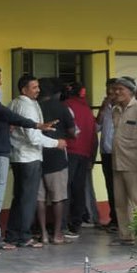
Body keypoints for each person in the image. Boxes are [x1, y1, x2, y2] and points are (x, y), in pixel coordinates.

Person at [0, 65, 49, 250]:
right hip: (9, 154)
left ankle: (9, 235)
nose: (1, 82)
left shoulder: (6, 102)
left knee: (16, 197)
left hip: (9, 154)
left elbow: (7, 117)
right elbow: (9, 117)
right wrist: (36, 125)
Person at [6, 74, 62, 247]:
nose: (38, 90)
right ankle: (23, 236)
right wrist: (56, 143)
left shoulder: (17, 103)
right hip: (28, 157)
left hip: (20, 157)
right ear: (24, 90)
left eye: (38, 87)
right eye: (34, 87)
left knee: (20, 197)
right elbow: (33, 137)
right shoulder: (25, 106)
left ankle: (13, 235)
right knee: (27, 199)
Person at [109, 77, 137, 246]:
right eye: (115, 89)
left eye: (121, 90)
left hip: (134, 161)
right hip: (117, 160)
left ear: (130, 92)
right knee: (120, 201)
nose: (117, 93)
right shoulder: (115, 109)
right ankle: (126, 236)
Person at [38, 78, 77, 238]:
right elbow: (73, 132)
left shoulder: (35, 108)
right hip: (57, 155)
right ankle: (57, 233)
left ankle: (43, 233)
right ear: (56, 93)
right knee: (58, 197)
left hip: (37, 155)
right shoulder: (62, 108)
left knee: (39, 198)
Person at [64, 82, 98, 231]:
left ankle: (64, 222)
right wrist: (92, 155)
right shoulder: (87, 109)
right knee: (79, 187)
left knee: (65, 187)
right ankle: (77, 222)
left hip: (69, 150)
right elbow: (93, 134)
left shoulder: (66, 105)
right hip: (85, 153)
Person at [97, 78, 119, 233]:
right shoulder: (106, 107)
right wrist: (103, 108)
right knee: (110, 187)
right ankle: (113, 219)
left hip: (120, 153)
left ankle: (121, 220)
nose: (110, 93)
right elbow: (96, 126)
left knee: (120, 188)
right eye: (108, 90)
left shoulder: (123, 108)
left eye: (113, 90)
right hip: (106, 152)